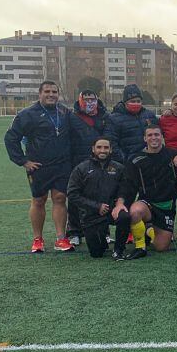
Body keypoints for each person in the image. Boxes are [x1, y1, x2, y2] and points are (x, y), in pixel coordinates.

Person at [4, 80, 74, 253]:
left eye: (54, 92)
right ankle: (38, 239)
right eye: (47, 92)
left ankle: (60, 239)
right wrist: (23, 161)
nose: (51, 95)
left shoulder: (65, 112)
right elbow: (10, 138)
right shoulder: (27, 114)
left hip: (62, 165)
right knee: (39, 200)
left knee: (60, 199)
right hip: (38, 166)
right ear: (39, 94)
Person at [112, 123, 177, 259]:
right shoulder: (136, 158)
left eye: (157, 135)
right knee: (135, 211)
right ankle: (140, 247)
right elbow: (127, 184)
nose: (153, 138)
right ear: (144, 138)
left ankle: (149, 229)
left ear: (162, 137)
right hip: (147, 203)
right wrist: (120, 203)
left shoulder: (173, 155)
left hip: (167, 205)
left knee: (161, 247)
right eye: (150, 135)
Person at [65, 136, 126, 259]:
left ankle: (119, 249)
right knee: (97, 253)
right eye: (99, 147)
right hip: (91, 214)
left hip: (112, 210)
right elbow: (72, 194)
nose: (102, 150)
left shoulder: (119, 168)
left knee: (125, 216)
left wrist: (118, 205)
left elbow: (125, 190)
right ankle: (101, 236)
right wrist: (96, 206)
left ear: (111, 150)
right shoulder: (81, 168)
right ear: (93, 149)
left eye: (106, 147)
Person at [67, 88, 109, 245]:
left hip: (101, 161)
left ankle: (103, 231)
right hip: (77, 161)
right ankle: (74, 232)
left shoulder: (105, 116)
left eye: (93, 99)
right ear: (79, 100)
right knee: (75, 198)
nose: (90, 102)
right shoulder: (72, 117)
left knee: (101, 196)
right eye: (86, 99)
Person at [105, 83, 158, 161]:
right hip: (128, 162)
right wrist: (124, 159)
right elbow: (111, 142)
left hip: (149, 159)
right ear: (125, 102)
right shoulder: (114, 119)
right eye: (132, 101)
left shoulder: (149, 115)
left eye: (138, 101)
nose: (136, 103)